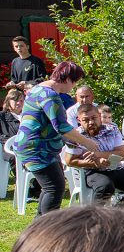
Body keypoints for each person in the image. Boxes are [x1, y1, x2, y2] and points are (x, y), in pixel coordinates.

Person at [11, 61, 99, 214]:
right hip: (37, 149)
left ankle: (40, 225)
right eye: (75, 82)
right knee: (54, 187)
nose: (74, 87)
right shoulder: (50, 96)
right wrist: (87, 142)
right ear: (67, 79)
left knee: (51, 187)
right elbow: (61, 127)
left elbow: (49, 124)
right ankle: (47, 226)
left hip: (35, 146)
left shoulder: (37, 89)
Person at [65, 103, 124, 207]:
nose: (91, 122)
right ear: (79, 120)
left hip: (115, 167)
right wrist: (92, 163)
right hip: (93, 171)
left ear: (99, 116)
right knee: (106, 187)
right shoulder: (76, 136)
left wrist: (98, 155)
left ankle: (117, 211)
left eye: (94, 118)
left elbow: (122, 154)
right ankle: (94, 214)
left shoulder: (112, 130)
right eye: (86, 120)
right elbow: (69, 161)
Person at [0, 87, 24, 162]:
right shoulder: (2, 117)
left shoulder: (28, 116)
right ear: (8, 102)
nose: (19, 103)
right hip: (11, 148)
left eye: (21, 100)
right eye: (15, 100)